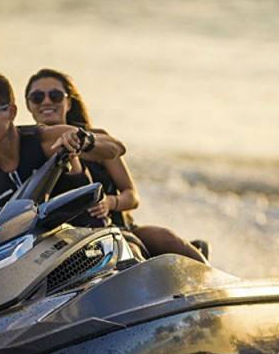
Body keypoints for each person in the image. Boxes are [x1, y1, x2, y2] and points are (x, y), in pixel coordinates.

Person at [24, 68, 208, 263]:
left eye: (55, 95)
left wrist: (110, 202)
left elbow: (132, 196)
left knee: (165, 239)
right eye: (37, 97)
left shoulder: (98, 141)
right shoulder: (27, 152)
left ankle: (210, 272)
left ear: (68, 103)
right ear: (28, 105)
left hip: (118, 229)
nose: (46, 101)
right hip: (65, 241)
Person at [0, 73, 126, 216]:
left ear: (11, 112)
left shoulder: (48, 140)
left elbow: (117, 148)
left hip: (93, 235)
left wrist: (84, 141)